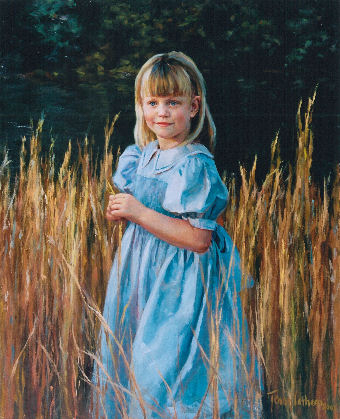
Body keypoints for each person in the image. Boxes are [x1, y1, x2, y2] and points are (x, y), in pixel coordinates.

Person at [90, 51, 262, 418]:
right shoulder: (141, 156)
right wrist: (123, 211)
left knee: (166, 368)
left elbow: (199, 240)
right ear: (141, 106)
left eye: (173, 102)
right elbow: (141, 209)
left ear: (194, 106)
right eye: (153, 102)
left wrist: (139, 212)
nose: (162, 112)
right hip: (140, 276)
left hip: (180, 284)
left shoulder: (194, 163)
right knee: (133, 355)